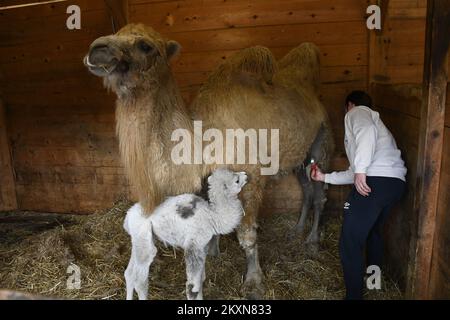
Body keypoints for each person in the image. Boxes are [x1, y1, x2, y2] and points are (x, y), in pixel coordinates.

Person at [311, 90, 406, 300]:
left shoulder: (358, 113)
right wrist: (324, 177)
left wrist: (362, 171)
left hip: (375, 182)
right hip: (394, 184)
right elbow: (354, 174)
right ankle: (374, 284)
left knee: (349, 243)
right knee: (374, 233)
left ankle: (353, 297)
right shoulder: (374, 135)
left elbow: (364, 141)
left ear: (349, 105)